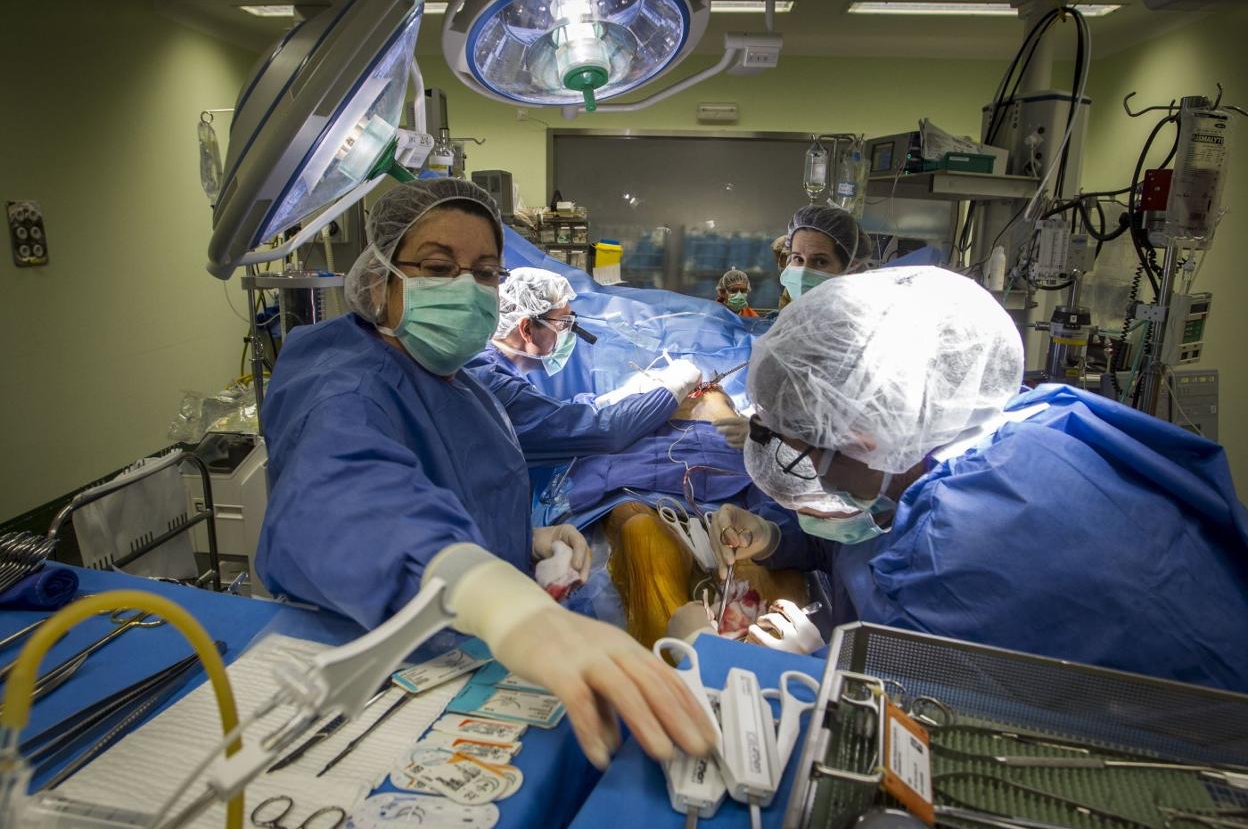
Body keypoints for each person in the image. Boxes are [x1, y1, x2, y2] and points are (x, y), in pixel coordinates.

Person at [255, 178, 715, 769]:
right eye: (438, 266)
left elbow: (452, 485)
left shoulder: (459, 382)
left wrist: (520, 541)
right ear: (379, 280)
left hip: (457, 647)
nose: (466, 289)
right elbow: (346, 498)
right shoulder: (342, 382)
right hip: (363, 658)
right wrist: (502, 603)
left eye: (484, 272)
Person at [708, 266, 1248, 692]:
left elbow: (877, 716)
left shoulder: (961, 550)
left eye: (801, 458)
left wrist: (759, 665)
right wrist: (782, 535)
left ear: (862, 437)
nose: (806, 482)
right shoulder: (1033, 420)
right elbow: (875, 529)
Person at [465, 267, 701, 462]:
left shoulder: (496, 367)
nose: (569, 333)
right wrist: (672, 388)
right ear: (526, 328)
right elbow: (602, 432)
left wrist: (614, 398)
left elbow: (549, 415)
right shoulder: (493, 384)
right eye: (564, 323)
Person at [776, 204, 872, 308]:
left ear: (851, 269)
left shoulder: (858, 321)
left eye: (820, 261)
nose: (803, 275)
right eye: (799, 259)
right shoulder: (785, 319)